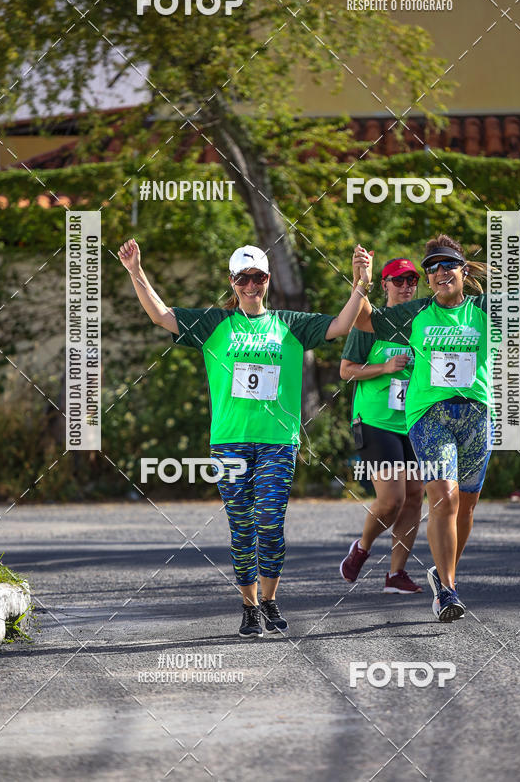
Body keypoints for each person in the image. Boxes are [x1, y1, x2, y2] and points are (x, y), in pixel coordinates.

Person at [118, 238, 373, 638]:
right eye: (243, 279)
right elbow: (161, 315)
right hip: (229, 442)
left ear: (268, 279)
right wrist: (136, 273)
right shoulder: (214, 324)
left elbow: (341, 325)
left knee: (270, 523)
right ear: (232, 282)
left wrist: (360, 284)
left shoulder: (290, 324)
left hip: (278, 441)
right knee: (241, 528)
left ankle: (270, 600)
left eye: (258, 278)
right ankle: (250, 607)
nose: (251, 285)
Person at [354, 211, 520, 622]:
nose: (440, 272)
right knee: (443, 498)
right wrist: (360, 283)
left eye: (449, 264)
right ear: (428, 278)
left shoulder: (487, 308)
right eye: (432, 268)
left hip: (477, 416)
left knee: (465, 507)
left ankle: (443, 573)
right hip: (429, 415)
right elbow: (362, 320)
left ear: (463, 271)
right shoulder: (413, 313)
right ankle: (447, 592)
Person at [339, 257, 424, 594]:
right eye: (398, 281)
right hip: (375, 421)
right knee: (391, 499)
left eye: (411, 281)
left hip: (414, 421)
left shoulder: (424, 322)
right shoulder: (370, 320)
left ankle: (395, 574)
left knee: (416, 496)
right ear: (385, 284)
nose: (406, 287)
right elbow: (346, 370)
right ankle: (361, 548)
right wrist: (385, 368)